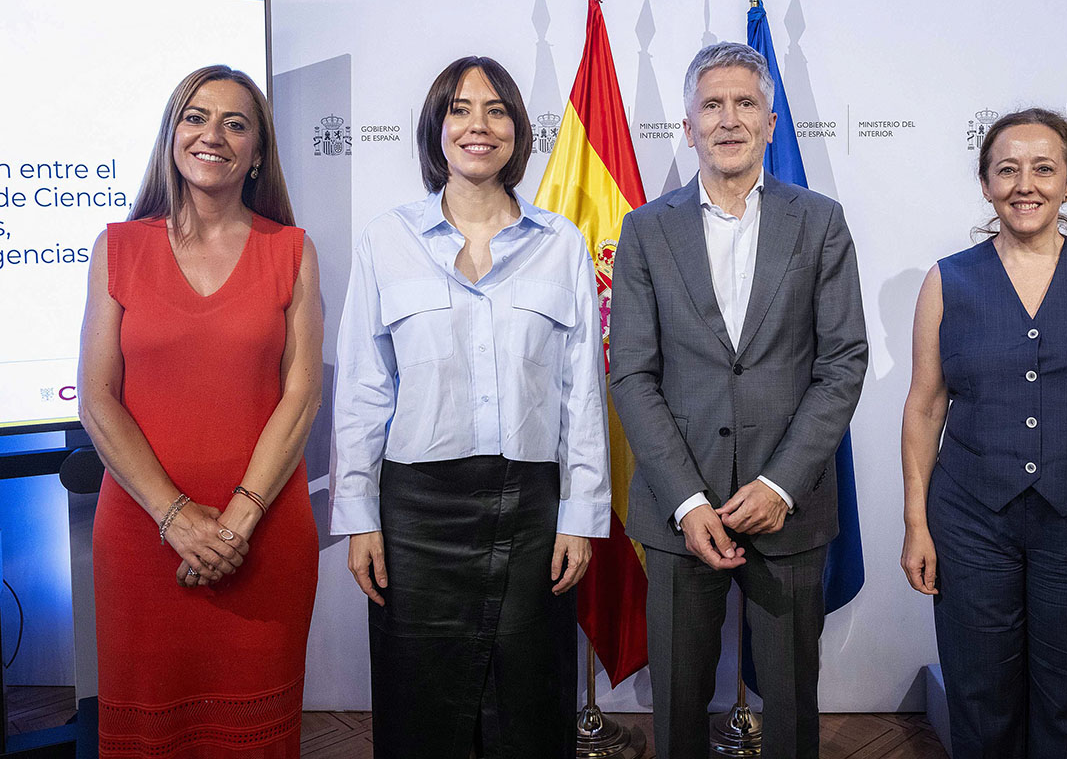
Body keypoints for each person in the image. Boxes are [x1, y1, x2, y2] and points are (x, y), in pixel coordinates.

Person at [330, 55, 610, 759]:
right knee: (420, 709)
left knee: (530, 708)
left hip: (531, 509)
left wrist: (579, 516)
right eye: (459, 109)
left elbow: (581, 393)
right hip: (417, 512)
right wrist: (359, 516)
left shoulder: (561, 244)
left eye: (496, 110)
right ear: (436, 127)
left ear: (518, 130)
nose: (477, 125)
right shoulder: (387, 240)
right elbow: (364, 389)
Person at [609, 42, 868, 759]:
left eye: (745, 103)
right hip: (679, 511)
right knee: (677, 710)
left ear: (770, 122)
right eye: (712, 105)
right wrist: (688, 500)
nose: (729, 119)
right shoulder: (645, 229)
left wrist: (781, 484)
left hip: (790, 508)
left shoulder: (820, 221)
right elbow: (632, 374)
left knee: (791, 709)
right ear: (688, 126)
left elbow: (842, 362)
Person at [900, 108, 1067, 758]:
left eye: (1044, 169)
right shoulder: (947, 281)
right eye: (1007, 170)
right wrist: (916, 523)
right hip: (970, 523)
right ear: (986, 184)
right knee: (979, 697)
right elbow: (925, 408)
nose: (1026, 184)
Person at [78, 65, 323, 757]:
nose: (212, 134)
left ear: (257, 153)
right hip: (141, 537)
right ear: (172, 135)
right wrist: (177, 518)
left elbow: (302, 396)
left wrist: (235, 525)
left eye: (235, 124)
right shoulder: (117, 248)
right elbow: (97, 399)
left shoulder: (292, 251)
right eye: (196, 117)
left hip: (264, 536)